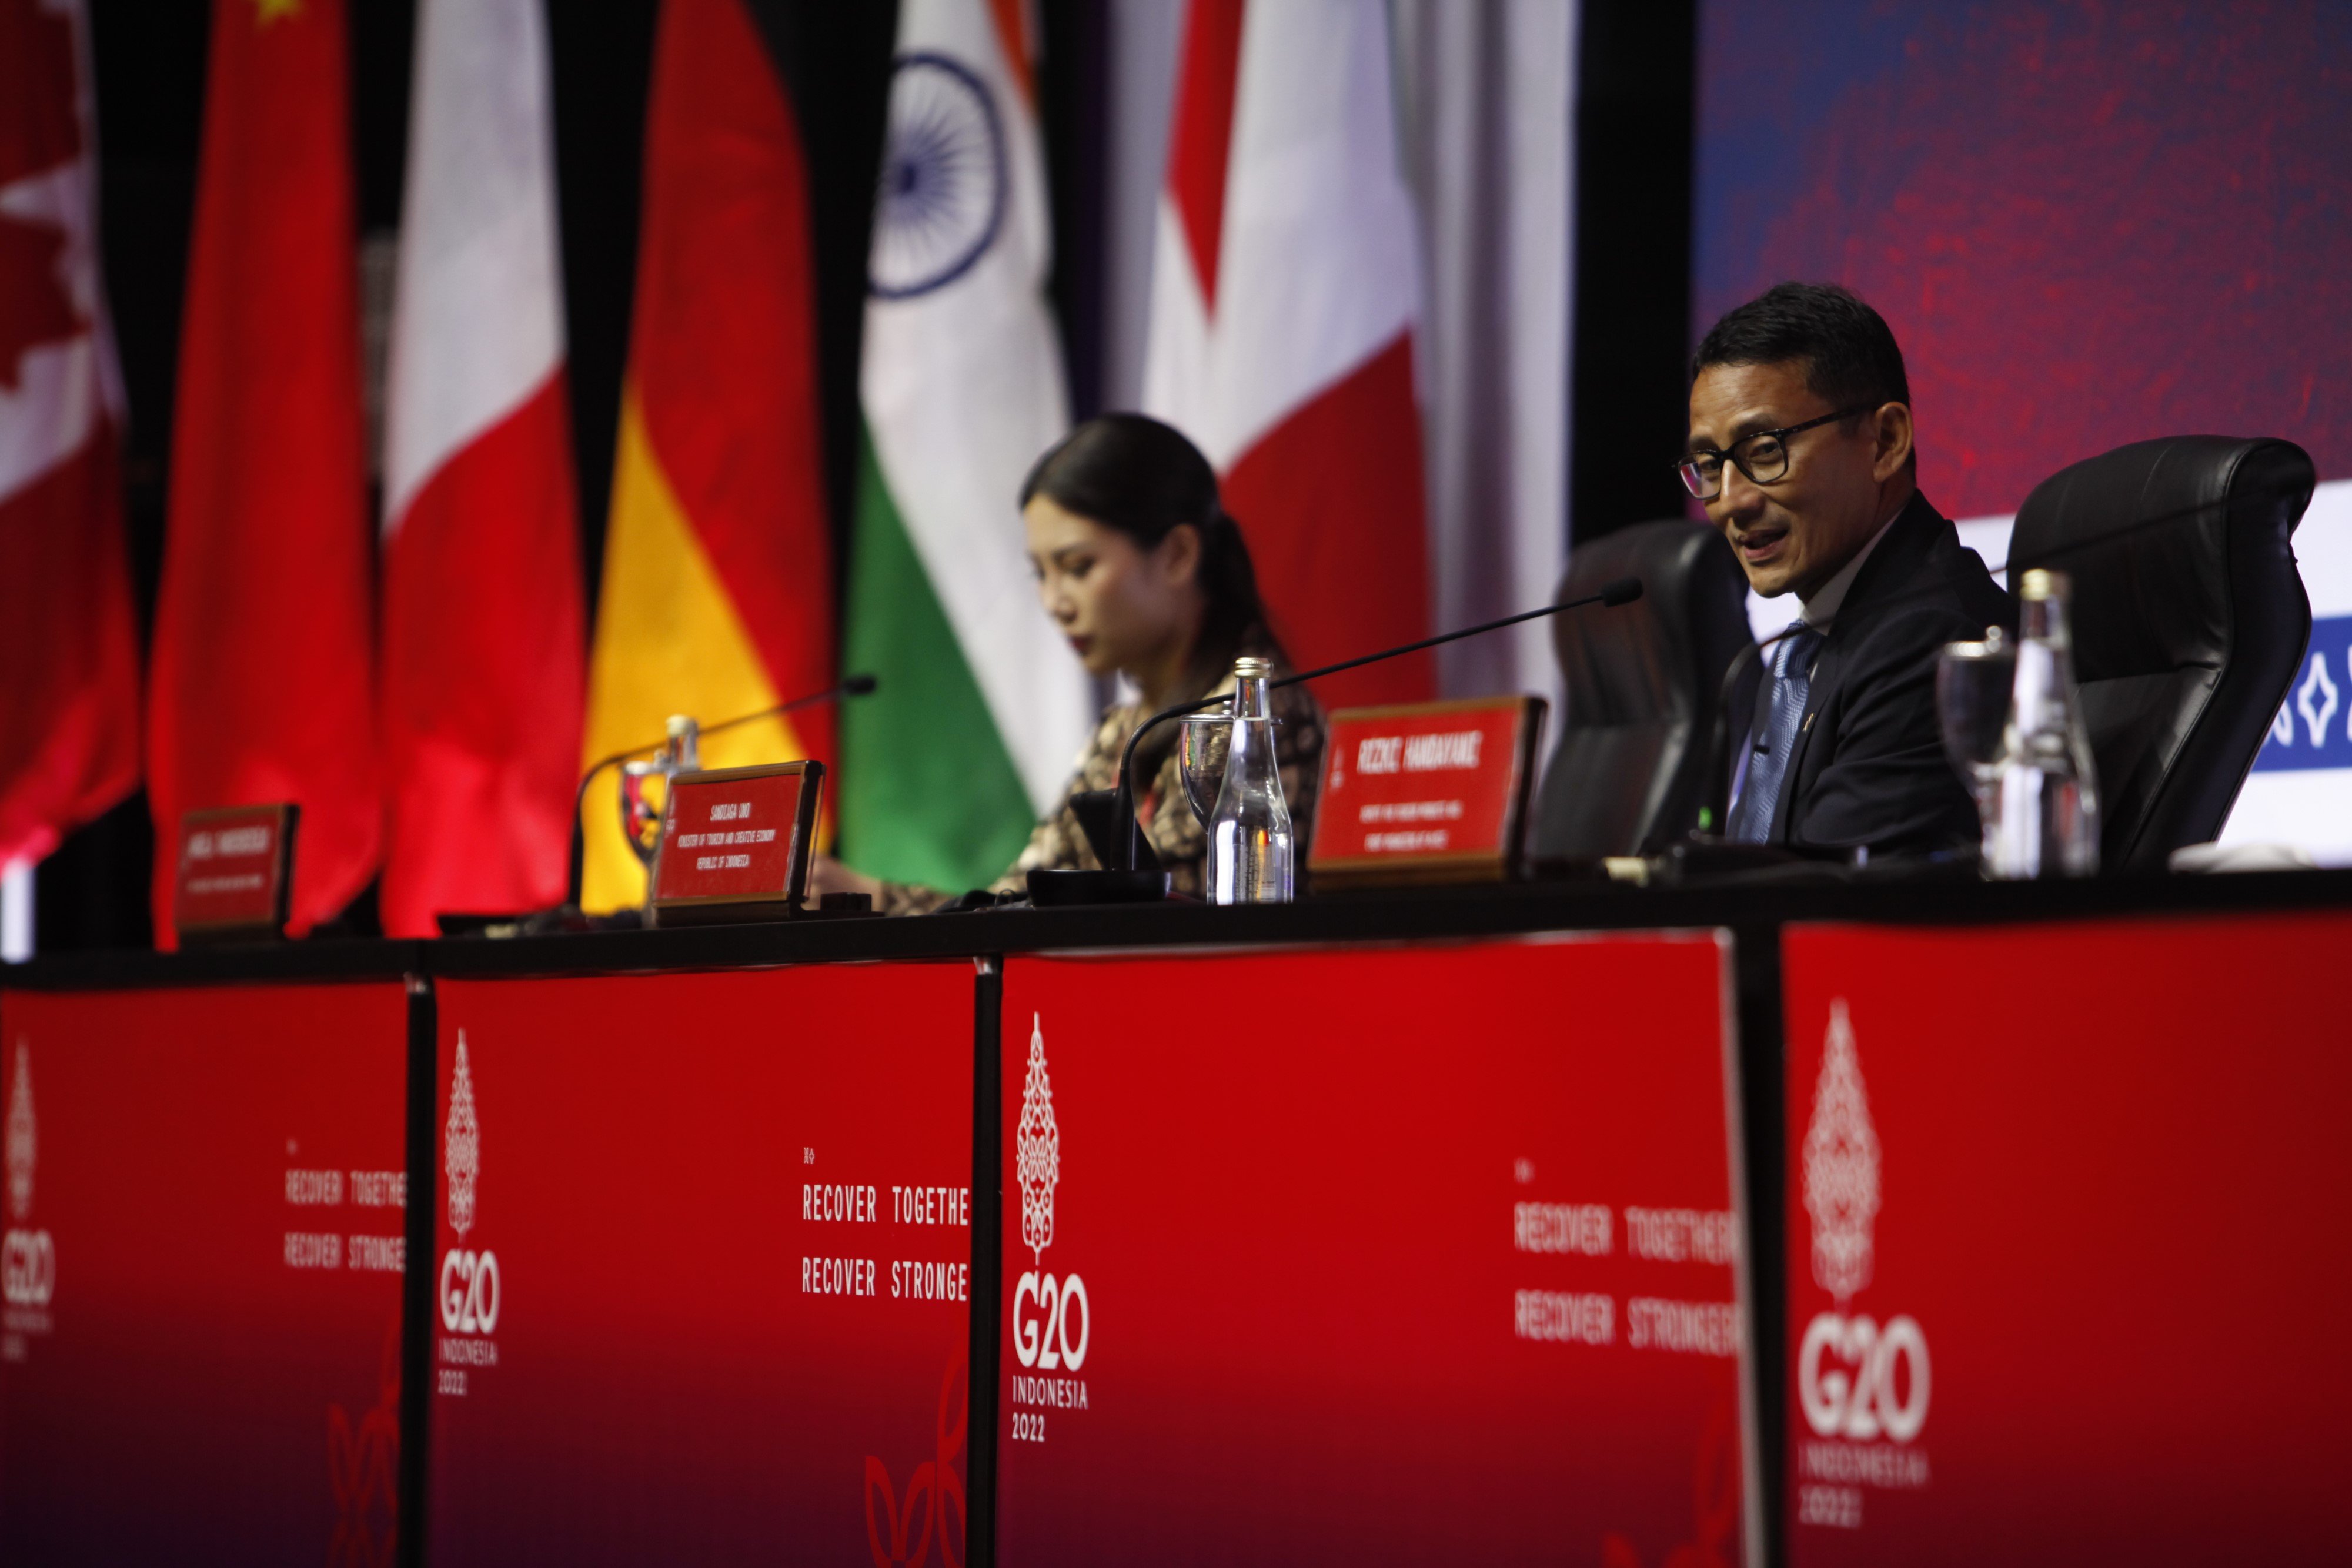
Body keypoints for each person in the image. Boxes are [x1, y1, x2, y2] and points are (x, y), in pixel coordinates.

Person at [815, 414, 1324, 911]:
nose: (1054, 603)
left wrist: (877, 899)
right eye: (1040, 573)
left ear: (1177, 554)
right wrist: (867, 896)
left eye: (1078, 567)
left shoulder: (1254, 716)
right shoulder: (1122, 730)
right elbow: (1014, 903)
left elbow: (1156, 911)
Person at [1683, 282, 2012, 856]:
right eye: (1710, 465)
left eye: (1765, 450)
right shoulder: (1808, 645)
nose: (1730, 501)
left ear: (1885, 441)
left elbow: (1823, 896)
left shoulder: (1928, 640)